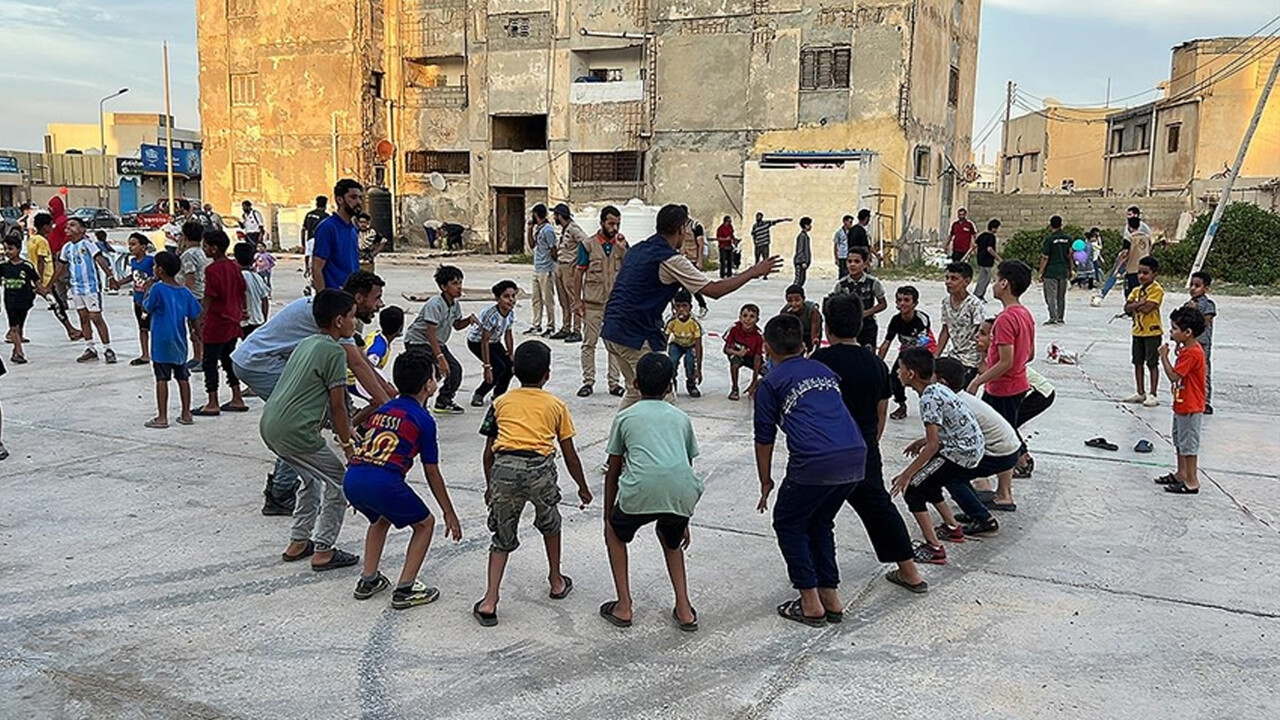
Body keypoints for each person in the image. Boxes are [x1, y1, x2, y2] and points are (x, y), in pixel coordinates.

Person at [232, 271, 394, 516]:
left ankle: (293, 483)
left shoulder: (334, 311)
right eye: (377, 298)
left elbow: (360, 359)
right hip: (260, 363)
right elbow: (357, 364)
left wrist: (386, 390)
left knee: (314, 419)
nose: (380, 305)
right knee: (302, 422)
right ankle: (281, 491)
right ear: (358, 299)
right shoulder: (336, 316)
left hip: (258, 359)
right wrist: (389, 406)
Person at [601, 204, 781, 408]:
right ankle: (666, 439)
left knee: (636, 391)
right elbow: (714, 290)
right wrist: (752, 272)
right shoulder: (671, 259)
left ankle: (618, 438)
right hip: (636, 336)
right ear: (681, 230)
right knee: (663, 399)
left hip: (611, 330)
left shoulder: (638, 250)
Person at [812, 293, 930, 594]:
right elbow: (881, 414)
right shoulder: (876, 364)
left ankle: (818, 580)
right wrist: (869, 444)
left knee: (815, 515)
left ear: (827, 327)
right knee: (879, 508)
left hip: (827, 450)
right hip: (863, 447)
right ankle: (910, 572)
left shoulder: (820, 362)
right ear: (859, 324)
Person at [754, 314, 867, 626]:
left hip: (815, 461)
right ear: (804, 345)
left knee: (788, 523)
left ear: (766, 347)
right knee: (819, 522)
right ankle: (830, 595)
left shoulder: (771, 383)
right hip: (855, 456)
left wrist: (765, 480)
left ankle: (810, 601)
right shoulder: (823, 370)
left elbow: (764, 439)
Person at [473, 340, 592, 627]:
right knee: (550, 523)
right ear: (547, 374)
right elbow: (570, 454)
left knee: (501, 536)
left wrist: (491, 486)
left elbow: (488, 452)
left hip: (504, 469)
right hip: (540, 470)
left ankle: (490, 599)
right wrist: (582, 487)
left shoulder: (500, 403)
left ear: (514, 371)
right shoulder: (555, 405)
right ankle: (555, 580)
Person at [345, 351, 463, 608]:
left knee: (380, 518)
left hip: (353, 478)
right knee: (424, 524)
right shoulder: (423, 419)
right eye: (434, 376)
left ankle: (368, 579)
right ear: (429, 385)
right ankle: (406, 588)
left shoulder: (382, 408)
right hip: (383, 481)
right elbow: (432, 471)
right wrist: (448, 512)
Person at [600, 353, 703, 630]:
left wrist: (607, 515)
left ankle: (624, 606)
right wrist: (685, 519)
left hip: (639, 492)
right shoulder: (681, 418)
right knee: (672, 540)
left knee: (616, 533)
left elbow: (614, 470)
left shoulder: (625, 417)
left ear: (634, 383)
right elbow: (686, 467)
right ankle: (684, 609)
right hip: (681, 495)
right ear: (670, 386)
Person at [264, 289, 362, 572]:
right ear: (340, 320)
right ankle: (323, 549)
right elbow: (338, 406)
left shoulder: (306, 342)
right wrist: (347, 446)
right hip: (296, 433)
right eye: (353, 317)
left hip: (271, 426)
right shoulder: (333, 351)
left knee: (310, 478)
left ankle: (298, 541)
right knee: (339, 482)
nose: (355, 323)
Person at [890, 348, 1000, 565]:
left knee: (913, 489)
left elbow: (933, 446)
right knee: (928, 482)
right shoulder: (937, 389)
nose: (897, 373)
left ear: (911, 373)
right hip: (967, 447)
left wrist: (906, 475)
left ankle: (935, 548)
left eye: (900, 369)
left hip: (959, 453)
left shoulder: (928, 399)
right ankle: (952, 528)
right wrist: (921, 442)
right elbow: (946, 427)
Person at [966, 260, 1035, 511]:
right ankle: (988, 485)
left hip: (1003, 388)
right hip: (1017, 384)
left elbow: (1006, 361)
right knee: (1000, 436)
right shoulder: (1025, 314)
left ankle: (1004, 493)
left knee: (1000, 441)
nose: (993, 284)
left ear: (1005, 284)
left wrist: (978, 380)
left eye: (996, 280)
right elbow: (1029, 354)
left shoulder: (1005, 319)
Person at [933, 357, 1020, 529]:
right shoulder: (959, 397)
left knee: (951, 476)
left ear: (942, 382)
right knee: (954, 471)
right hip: (1007, 448)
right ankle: (974, 508)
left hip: (1000, 453)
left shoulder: (953, 405)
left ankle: (983, 519)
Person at [141, 251, 204, 428]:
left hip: (161, 341)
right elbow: (194, 315)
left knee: (162, 378)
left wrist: (146, 289)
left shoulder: (157, 289)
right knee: (182, 376)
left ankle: (162, 417)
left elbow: (147, 308)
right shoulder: (184, 291)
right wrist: (196, 333)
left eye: (155, 266)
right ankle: (186, 413)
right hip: (179, 340)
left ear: (160, 270)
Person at [404, 265, 476, 415]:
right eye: (455, 283)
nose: (459, 287)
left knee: (454, 370)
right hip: (418, 342)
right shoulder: (435, 304)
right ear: (444, 287)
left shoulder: (454, 304)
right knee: (429, 372)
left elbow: (456, 325)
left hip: (437, 343)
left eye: (460, 283)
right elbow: (430, 333)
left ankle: (444, 401)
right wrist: (440, 357)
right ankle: (419, 405)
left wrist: (468, 320)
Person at [574, 205, 628, 397]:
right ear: (602, 222)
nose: (614, 227)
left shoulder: (621, 245)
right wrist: (577, 300)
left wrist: (623, 250)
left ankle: (614, 383)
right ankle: (588, 381)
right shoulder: (588, 245)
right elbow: (579, 272)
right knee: (589, 343)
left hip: (614, 305)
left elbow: (630, 269)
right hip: (593, 303)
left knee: (614, 344)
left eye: (617, 224)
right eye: (611, 223)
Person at [193, 230, 248, 416]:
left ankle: (212, 401)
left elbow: (209, 297)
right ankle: (237, 396)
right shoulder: (234, 267)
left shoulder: (212, 270)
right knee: (228, 359)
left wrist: (200, 319)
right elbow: (242, 290)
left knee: (209, 362)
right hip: (233, 320)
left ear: (214, 248)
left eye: (206, 245)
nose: (204, 248)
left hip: (217, 322)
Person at [1155, 306, 1207, 495]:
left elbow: (1174, 376)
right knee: (1179, 440)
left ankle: (1192, 481)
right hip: (1182, 403)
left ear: (1187, 332)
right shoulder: (1187, 349)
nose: (1171, 332)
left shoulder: (1193, 352)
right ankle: (1181, 473)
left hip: (1191, 406)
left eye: (1175, 329)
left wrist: (1163, 357)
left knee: (1189, 445)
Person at [50, 218, 116, 364]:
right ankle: (90, 348)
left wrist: (110, 276)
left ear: (82, 230)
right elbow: (60, 268)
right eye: (67, 226)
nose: (68, 228)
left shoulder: (88, 244)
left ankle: (108, 348)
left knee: (96, 317)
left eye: (73, 225)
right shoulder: (66, 248)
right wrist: (50, 285)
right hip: (76, 288)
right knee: (83, 317)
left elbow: (99, 259)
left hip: (90, 287)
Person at [879, 285, 932, 421]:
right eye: (899, 300)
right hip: (905, 353)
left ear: (915, 303)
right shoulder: (895, 320)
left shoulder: (921, 319)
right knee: (895, 378)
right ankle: (902, 405)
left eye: (906, 300)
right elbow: (886, 343)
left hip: (922, 353)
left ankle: (930, 405)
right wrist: (878, 363)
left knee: (924, 381)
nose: (902, 303)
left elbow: (924, 342)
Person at [467, 279, 518, 407]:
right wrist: (487, 366)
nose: (511, 300)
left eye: (513, 296)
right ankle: (479, 394)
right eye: (506, 296)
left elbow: (508, 334)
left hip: (494, 341)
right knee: (498, 368)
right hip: (477, 342)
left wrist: (511, 353)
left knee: (510, 367)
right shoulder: (491, 315)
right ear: (497, 299)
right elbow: (484, 341)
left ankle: (499, 394)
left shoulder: (510, 313)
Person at [28, 212, 77, 340]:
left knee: (26, 305)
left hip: (34, 279)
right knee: (57, 305)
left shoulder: (32, 239)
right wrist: (42, 282)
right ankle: (70, 329)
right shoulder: (42, 241)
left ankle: (14, 331)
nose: (52, 228)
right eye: (50, 225)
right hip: (44, 280)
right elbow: (41, 261)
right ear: (45, 226)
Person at [1123, 256, 1164, 408]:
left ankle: (1153, 393)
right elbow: (1127, 308)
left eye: (1145, 273)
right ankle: (1140, 392)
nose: (1141, 276)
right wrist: (1139, 304)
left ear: (1154, 274)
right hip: (1138, 331)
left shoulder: (1157, 290)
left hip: (1152, 332)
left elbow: (1148, 308)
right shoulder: (1136, 290)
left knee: (1152, 363)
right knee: (1137, 362)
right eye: (1139, 272)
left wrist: (1135, 305)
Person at [936, 262, 984, 386]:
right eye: (947, 278)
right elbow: (945, 330)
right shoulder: (946, 302)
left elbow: (982, 333)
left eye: (954, 279)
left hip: (971, 359)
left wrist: (983, 361)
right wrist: (936, 355)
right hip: (954, 355)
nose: (948, 282)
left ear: (966, 281)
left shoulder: (974, 305)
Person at [312, 179, 363, 293]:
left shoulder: (353, 229)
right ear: (340, 199)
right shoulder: (327, 227)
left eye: (360, 198)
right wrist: (323, 298)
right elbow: (317, 267)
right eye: (353, 197)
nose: (359, 202)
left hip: (351, 295)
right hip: (335, 297)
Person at [831, 246, 887, 347]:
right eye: (850, 261)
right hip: (847, 327)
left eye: (857, 261)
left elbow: (883, 304)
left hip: (867, 326)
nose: (852, 265)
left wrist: (865, 313)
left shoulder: (873, 282)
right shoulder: (841, 284)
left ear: (865, 263)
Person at [348, 305, 404, 398]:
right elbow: (369, 368)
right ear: (400, 328)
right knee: (381, 398)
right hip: (352, 379)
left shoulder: (376, 335)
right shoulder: (379, 349)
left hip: (354, 375)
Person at [176, 220, 209, 372]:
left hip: (194, 296)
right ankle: (197, 357)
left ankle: (202, 358)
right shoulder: (200, 252)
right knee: (195, 328)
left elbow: (190, 276)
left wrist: (185, 297)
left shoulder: (188, 255)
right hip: (201, 292)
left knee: (196, 328)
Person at [44, 197, 79, 341]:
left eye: (51, 206)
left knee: (64, 278)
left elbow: (66, 237)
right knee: (59, 281)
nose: (49, 209)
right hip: (54, 253)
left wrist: (61, 251)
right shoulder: (55, 221)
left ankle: (76, 297)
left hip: (60, 254)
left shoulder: (62, 221)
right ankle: (62, 302)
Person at [550, 203, 585, 343]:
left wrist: (578, 262)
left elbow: (585, 242)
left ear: (559, 215)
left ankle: (577, 330)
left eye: (555, 215)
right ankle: (566, 328)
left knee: (573, 300)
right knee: (563, 300)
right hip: (561, 265)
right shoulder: (565, 229)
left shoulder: (573, 229)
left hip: (570, 267)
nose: (554, 218)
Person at [2, 237, 39, 364]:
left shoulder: (27, 266)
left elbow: (37, 282)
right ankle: (19, 352)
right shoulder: (3, 267)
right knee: (13, 327)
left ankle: (15, 350)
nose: (7, 252)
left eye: (10, 249)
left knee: (20, 326)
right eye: (5, 249)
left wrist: (46, 293)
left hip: (25, 300)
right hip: (10, 301)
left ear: (18, 249)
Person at [1186, 271, 1217, 415]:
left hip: (1202, 344)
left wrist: (1194, 311)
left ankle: (1205, 401)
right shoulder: (1188, 304)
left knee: (1204, 372)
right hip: (1189, 344)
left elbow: (1205, 321)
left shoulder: (1208, 305)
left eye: (1197, 286)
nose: (1193, 288)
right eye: (1191, 285)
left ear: (1206, 288)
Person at [123, 233, 156, 366]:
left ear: (143, 247)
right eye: (129, 244)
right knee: (142, 328)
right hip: (138, 300)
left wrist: (151, 283)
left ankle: (156, 352)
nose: (130, 247)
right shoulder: (133, 262)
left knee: (154, 327)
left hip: (149, 301)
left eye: (133, 244)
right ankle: (145, 354)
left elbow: (156, 275)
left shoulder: (150, 261)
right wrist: (119, 282)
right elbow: (133, 276)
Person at [664, 289, 703, 398]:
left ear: (690, 307)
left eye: (684, 306)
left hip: (690, 345)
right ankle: (671, 382)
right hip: (677, 344)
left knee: (690, 361)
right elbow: (665, 339)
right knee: (672, 360)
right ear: (674, 308)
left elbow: (698, 345)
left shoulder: (694, 323)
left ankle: (691, 383)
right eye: (678, 306)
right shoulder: (671, 321)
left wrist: (699, 368)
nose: (681, 309)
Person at [525, 204, 557, 336]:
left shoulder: (548, 230)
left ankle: (551, 325)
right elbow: (532, 245)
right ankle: (536, 324)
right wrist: (529, 228)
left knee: (548, 299)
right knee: (536, 299)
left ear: (536, 214)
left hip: (546, 269)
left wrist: (553, 265)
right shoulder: (539, 228)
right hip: (537, 267)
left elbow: (553, 249)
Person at [724, 303, 764, 401]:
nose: (748, 319)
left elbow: (757, 358)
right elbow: (726, 349)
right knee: (735, 361)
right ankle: (735, 388)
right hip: (737, 354)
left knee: (768, 372)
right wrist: (738, 353)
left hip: (752, 357)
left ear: (757, 320)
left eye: (752, 317)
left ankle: (758, 388)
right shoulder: (734, 329)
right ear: (740, 317)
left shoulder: (759, 336)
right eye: (745, 316)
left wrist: (754, 381)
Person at [1038, 215, 1072, 325]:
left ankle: (1053, 317)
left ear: (1050, 225)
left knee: (1050, 296)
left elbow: (1045, 257)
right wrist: (1071, 270)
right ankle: (1060, 317)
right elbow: (1070, 256)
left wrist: (1041, 272)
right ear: (1061, 224)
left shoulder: (1049, 240)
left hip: (1051, 271)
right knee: (1061, 296)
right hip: (1063, 271)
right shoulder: (1068, 239)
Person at [235, 241, 271, 336]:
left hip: (242, 321)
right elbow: (264, 300)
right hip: (257, 319)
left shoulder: (236, 277)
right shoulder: (257, 277)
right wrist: (264, 318)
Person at [780, 284, 821, 356]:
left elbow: (815, 329)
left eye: (797, 300)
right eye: (790, 301)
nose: (794, 304)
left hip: (810, 333)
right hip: (796, 335)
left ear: (803, 299)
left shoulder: (812, 310)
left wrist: (814, 339)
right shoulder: (785, 312)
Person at [1118, 215, 1152, 297]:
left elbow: (1125, 254)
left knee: (1131, 293)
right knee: (1143, 291)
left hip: (1132, 269)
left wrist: (1118, 268)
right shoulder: (1147, 237)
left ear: (1129, 227)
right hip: (1145, 268)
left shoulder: (1129, 238)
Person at [749, 213, 790, 278]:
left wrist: (785, 219)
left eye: (758, 217)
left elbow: (776, 221)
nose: (757, 218)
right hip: (758, 245)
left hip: (765, 244)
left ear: (761, 217)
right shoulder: (755, 226)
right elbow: (753, 235)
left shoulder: (766, 223)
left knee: (766, 260)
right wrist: (755, 243)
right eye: (756, 217)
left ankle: (765, 275)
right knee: (757, 260)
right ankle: (756, 274)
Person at [301, 196, 329, 287]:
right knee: (318, 261)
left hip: (309, 240)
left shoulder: (309, 214)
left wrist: (303, 244)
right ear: (325, 205)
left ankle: (307, 270)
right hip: (320, 241)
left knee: (308, 256)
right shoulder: (326, 217)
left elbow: (303, 230)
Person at [974, 219, 1000, 300]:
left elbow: (975, 245)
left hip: (980, 259)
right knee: (986, 279)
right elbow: (989, 249)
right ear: (993, 228)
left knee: (982, 277)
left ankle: (978, 293)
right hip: (987, 260)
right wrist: (997, 257)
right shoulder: (991, 237)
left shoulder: (981, 235)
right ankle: (979, 294)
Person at [793, 217, 812, 288]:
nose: (810, 226)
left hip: (803, 263)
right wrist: (803, 261)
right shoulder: (802, 236)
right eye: (809, 224)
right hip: (800, 262)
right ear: (805, 225)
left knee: (802, 280)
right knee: (798, 281)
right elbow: (800, 250)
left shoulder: (805, 236)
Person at [833, 215, 853, 280]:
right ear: (845, 222)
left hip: (850, 255)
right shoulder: (839, 233)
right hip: (842, 255)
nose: (850, 224)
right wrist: (836, 258)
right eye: (849, 222)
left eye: (851, 222)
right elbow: (836, 245)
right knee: (842, 272)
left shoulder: (852, 232)